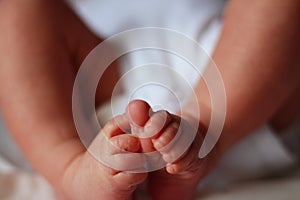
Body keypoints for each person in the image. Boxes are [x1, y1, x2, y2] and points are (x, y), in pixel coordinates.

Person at [0, 0, 299, 199]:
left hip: (233, 77)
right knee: (19, 9)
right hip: (102, 77)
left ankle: (204, 128)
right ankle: (69, 169)